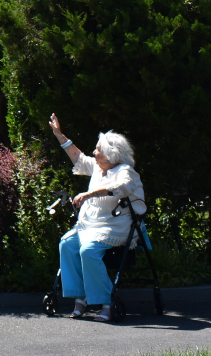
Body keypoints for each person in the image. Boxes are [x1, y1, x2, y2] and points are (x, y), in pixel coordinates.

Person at [47, 115, 146, 322]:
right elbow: (78, 158)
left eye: (98, 149)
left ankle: (106, 301)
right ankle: (80, 296)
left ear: (110, 155)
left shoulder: (126, 171)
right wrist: (59, 134)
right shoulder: (98, 168)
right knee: (67, 244)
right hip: (91, 225)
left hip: (115, 226)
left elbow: (121, 187)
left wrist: (90, 194)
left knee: (88, 250)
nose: (94, 152)